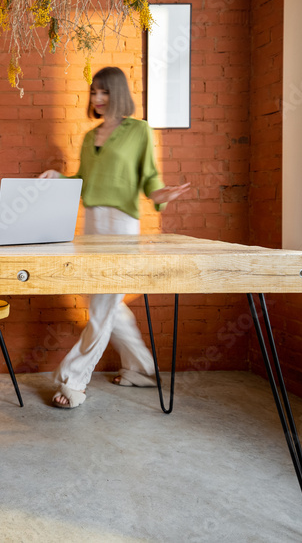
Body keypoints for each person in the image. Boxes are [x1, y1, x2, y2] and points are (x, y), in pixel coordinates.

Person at [39, 66, 190, 408]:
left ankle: (73, 380)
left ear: (118, 93)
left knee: (102, 307)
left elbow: (150, 177)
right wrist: (57, 177)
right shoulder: (91, 137)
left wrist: (162, 194)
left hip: (122, 226)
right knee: (106, 303)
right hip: (92, 223)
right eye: (94, 92)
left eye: (104, 92)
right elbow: (83, 182)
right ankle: (141, 368)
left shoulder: (139, 131)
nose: (97, 99)